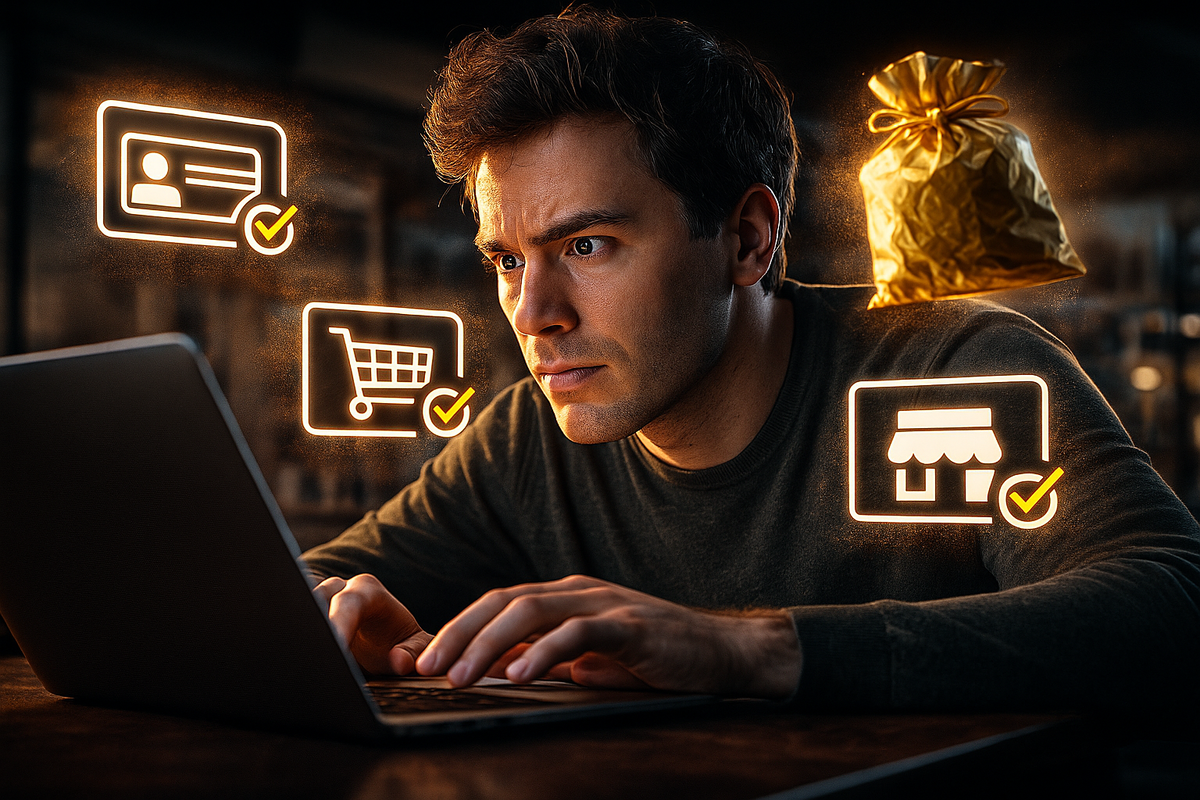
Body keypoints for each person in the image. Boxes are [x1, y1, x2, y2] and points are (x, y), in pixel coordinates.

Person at [303, 7, 1200, 709]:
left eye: (587, 246)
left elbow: (1174, 601)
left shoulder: (955, 373)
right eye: (507, 260)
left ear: (747, 238)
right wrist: (329, 612)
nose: (535, 315)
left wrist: (750, 648)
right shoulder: (523, 443)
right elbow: (303, 577)